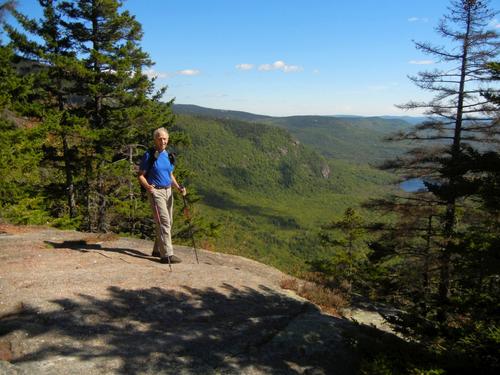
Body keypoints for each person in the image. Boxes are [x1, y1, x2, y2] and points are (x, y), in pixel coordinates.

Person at [138, 127, 186, 264]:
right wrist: (148, 187)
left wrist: (178, 187)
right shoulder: (149, 155)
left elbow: (169, 175)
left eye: (165, 138)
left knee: (168, 222)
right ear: (155, 140)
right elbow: (140, 175)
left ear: (168, 140)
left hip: (168, 191)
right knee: (164, 221)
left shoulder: (168, 156)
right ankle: (167, 255)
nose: (162, 141)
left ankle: (157, 250)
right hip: (156, 192)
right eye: (159, 138)